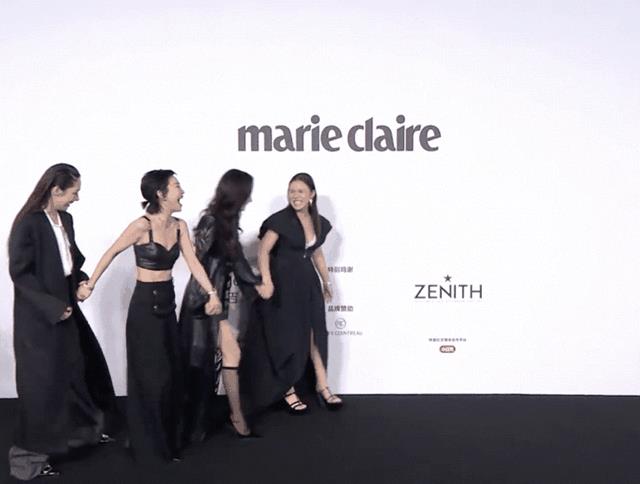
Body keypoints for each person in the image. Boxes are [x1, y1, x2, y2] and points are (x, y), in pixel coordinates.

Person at [82, 169, 221, 464]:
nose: (182, 191)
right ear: (161, 193)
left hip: (167, 306)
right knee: (151, 377)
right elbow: (111, 253)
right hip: (144, 308)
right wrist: (90, 284)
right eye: (177, 186)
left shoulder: (180, 226)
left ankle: (166, 443)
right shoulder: (141, 226)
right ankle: (148, 447)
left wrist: (212, 292)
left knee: (170, 375)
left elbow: (193, 262)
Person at [7, 163, 117, 480]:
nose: (76, 198)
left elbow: (71, 262)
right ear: (56, 190)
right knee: (42, 387)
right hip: (39, 320)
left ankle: (84, 434)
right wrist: (53, 307)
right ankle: (28, 462)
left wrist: (80, 280)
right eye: (74, 192)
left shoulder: (65, 220)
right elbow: (21, 274)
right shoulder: (28, 224)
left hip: (66, 310)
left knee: (79, 373)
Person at [241, 172, 343, 415]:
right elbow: (263, 251)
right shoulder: (279, 221)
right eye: (292, 191)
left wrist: (326, 281)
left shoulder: (318, 221)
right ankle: (288, 390)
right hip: (283, 284)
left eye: (300, 191)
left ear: (311, 195)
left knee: (315, 333)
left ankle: (322, 385)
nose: (295, 196)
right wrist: (267, 281)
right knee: (287, 337)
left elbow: (316, 252)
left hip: (308, 283)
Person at [180, 169, 263, 440]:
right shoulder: (211, 222)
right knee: (199, 365)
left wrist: (258, 284)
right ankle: (207, 423)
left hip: (217, 303)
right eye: (247, 194)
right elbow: (198, 264)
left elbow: (238, 263)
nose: (249, 199)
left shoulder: (227, 223)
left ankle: (234, 417)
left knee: (230, 356)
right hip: (203, 304)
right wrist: (210, 296)